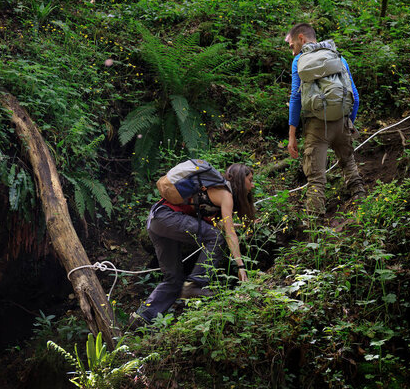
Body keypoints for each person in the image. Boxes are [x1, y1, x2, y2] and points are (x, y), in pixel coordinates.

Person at [128, 163, 255, 328]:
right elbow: (229, 235)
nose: (253, 185)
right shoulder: (226, 195)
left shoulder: (215, 190)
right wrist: (241, 266)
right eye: (250, 180)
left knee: (174, 279)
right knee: (217, 237)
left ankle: (140, 319)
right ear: (240, 179)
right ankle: (196, 283)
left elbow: (219, 224)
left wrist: (236, 226)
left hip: (156, 221)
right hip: (167, 217)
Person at [285, 23, 366, 218]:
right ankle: (364, 209)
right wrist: (348, 122)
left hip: (317, 127)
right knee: (348, 164)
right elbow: (354, 94)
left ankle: (315, 229)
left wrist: (292, 135)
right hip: (341, 121)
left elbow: (295, 99)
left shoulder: (299, 61)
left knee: (316, 179)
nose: (292, 51)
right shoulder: (337, 57)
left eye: (292, 45)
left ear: (302, 38)